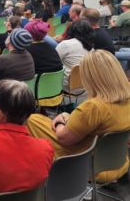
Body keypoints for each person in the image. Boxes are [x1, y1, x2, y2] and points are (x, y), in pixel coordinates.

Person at [27, 50, 130, 183]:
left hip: (91, 168)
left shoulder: (93, 107)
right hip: (119, 162)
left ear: (91, 77)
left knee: (32, 120)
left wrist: (59, 122)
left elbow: (64, 138)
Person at [56, 20, 94, 87]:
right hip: (86, 85)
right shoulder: (91, 49)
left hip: (67, 85)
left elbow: (53, 62)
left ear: (71, 30)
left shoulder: (66, 44)